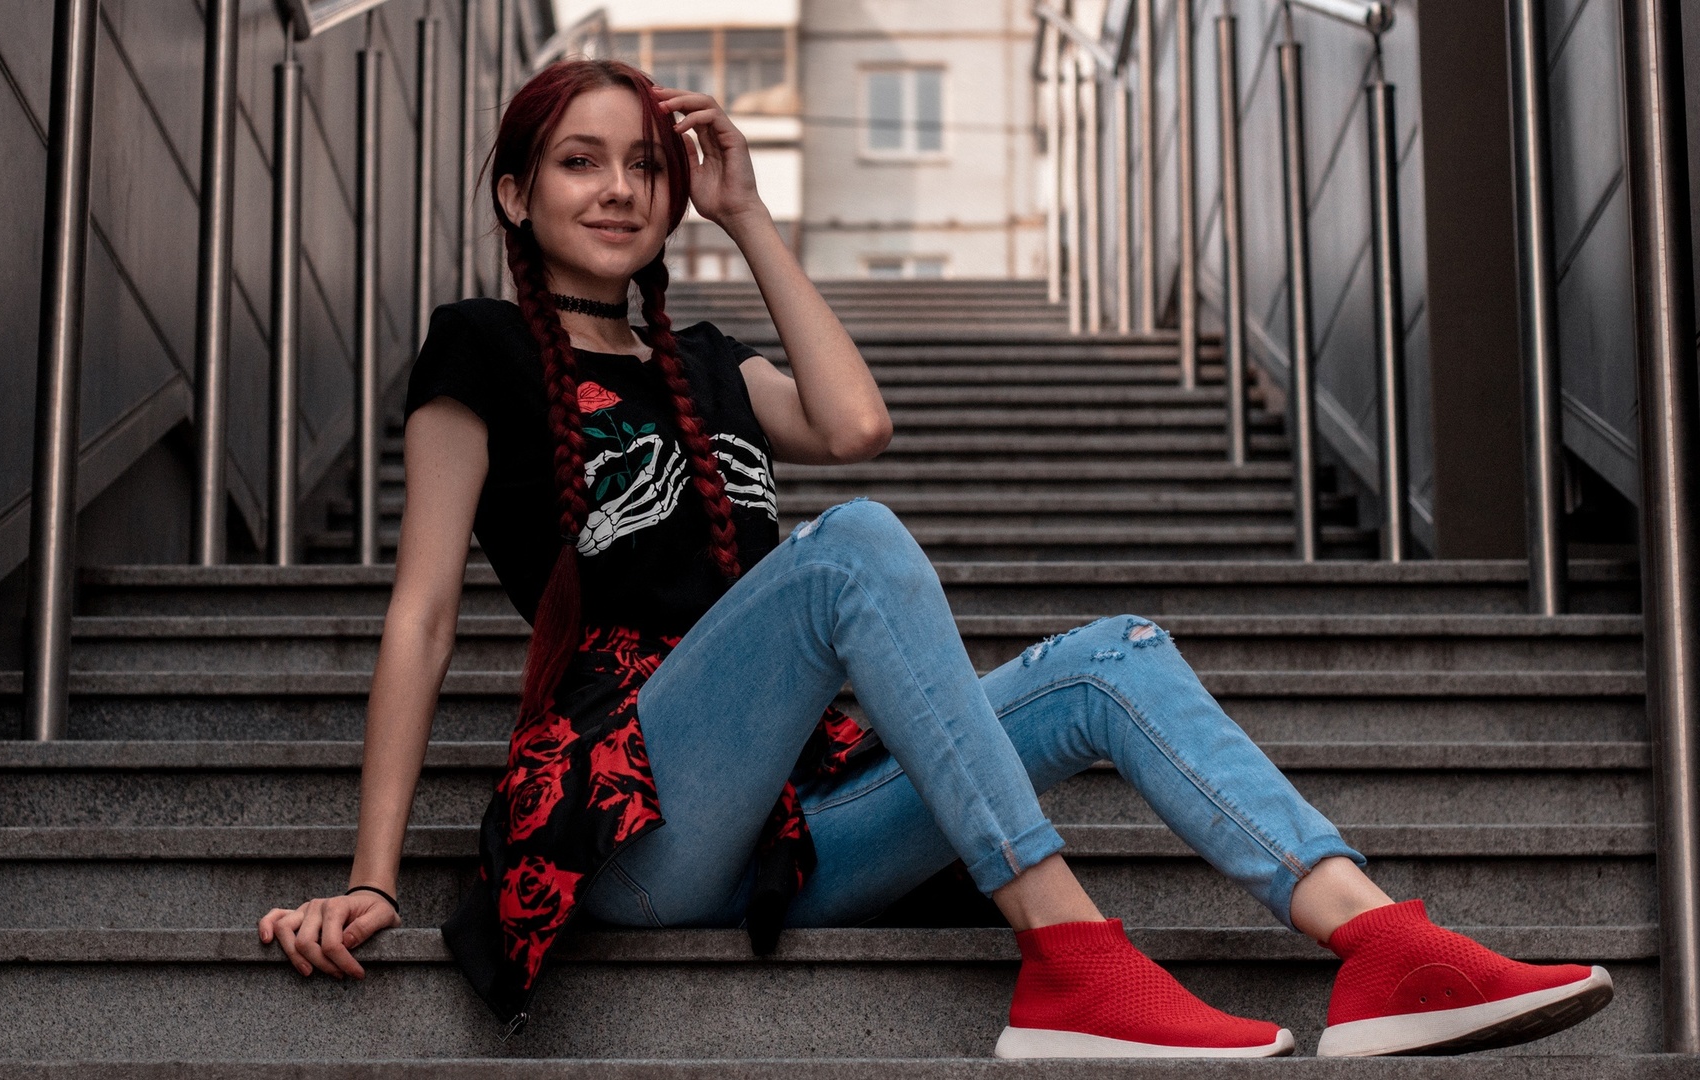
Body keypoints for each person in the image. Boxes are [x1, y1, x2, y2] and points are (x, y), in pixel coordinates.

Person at [258, 58, 1612, 1059]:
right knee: (851, 555)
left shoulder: (707, 364)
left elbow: (857, 424)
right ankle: (1071, 954)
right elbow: (424, 616)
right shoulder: (476, 350)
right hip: (639, 820)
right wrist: (375, 877)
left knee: (1111, 661)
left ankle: (1376, 944)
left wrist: (748, 218)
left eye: (644, 166)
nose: (619, 189)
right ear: (515, 189)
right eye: (577, 161)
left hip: (795, 832)